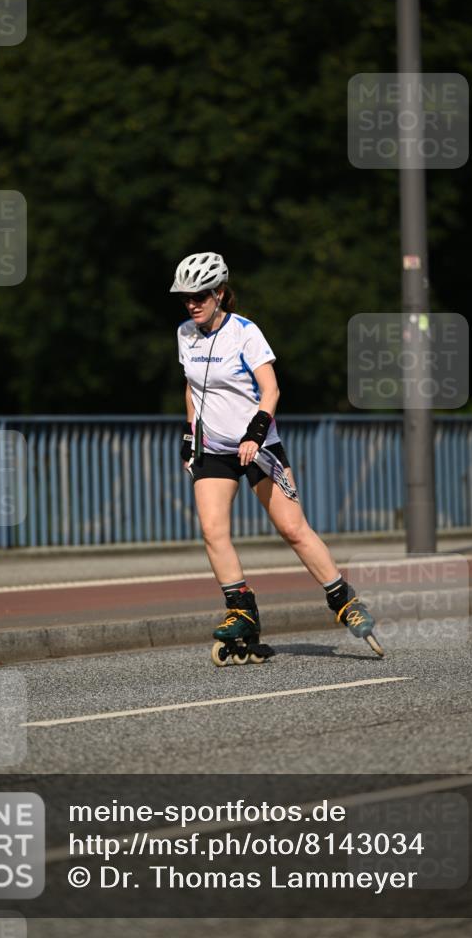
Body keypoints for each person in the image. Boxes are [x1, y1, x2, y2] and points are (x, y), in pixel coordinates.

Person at [172, 251, 383, 664]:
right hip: (214, 449)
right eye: (185, 298)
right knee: (213, 531)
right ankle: (242, 614)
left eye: (199, 295)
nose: (191, 303)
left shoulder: (245, 333)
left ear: (218, 293)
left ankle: (343, 599)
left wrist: (254, 433)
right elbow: (191, 388)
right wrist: (189, 436)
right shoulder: (185, 334)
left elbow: (271, 390)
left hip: (259, 445)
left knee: (292, 528)